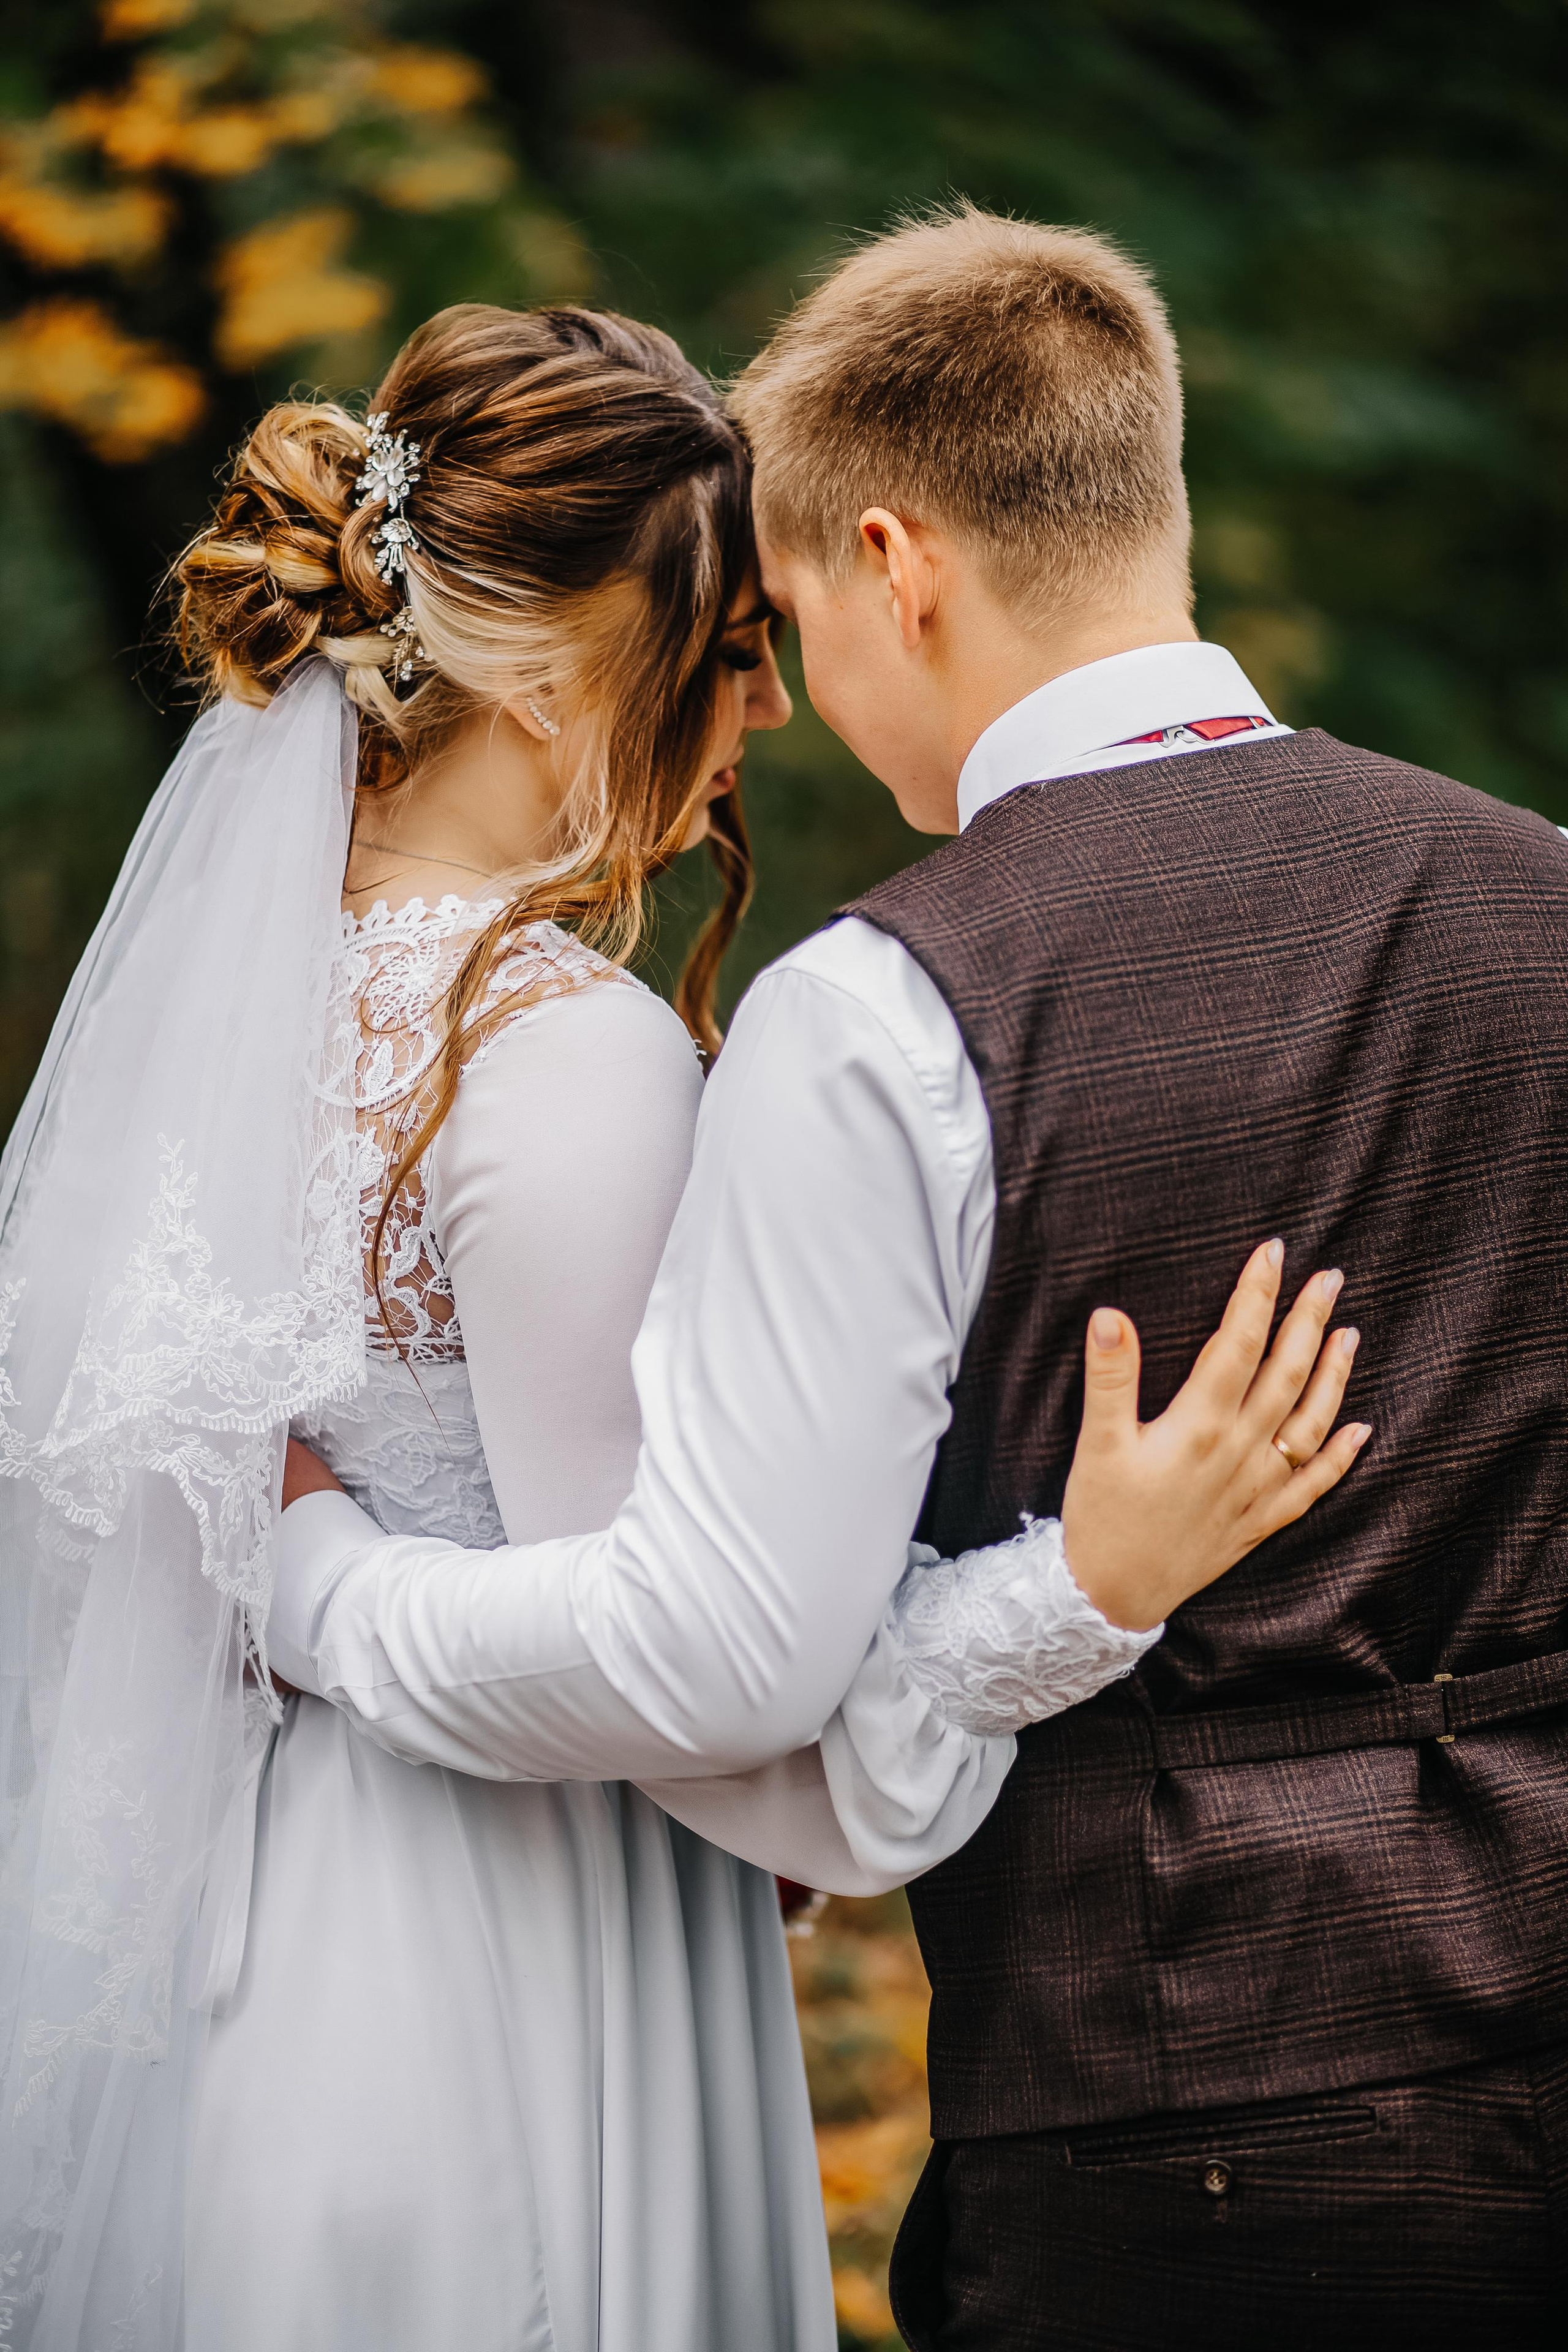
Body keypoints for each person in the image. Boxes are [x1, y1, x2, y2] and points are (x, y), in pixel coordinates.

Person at [0, 299, 1356, 2352]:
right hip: (509, 1966)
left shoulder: (221, 1013)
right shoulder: (554, 1054)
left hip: (230, 1953)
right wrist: (1070, 1592)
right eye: (727, 652)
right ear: (555, 678)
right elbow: (701, 1682)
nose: (772, 713)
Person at [272, 205, 1550, 2348]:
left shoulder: (884, 1009)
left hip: (1165, 2132)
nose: (766, 696)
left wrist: (308, 1590)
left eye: (778, 614)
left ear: (895, 563)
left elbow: (718, 1654)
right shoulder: (1549, 904)